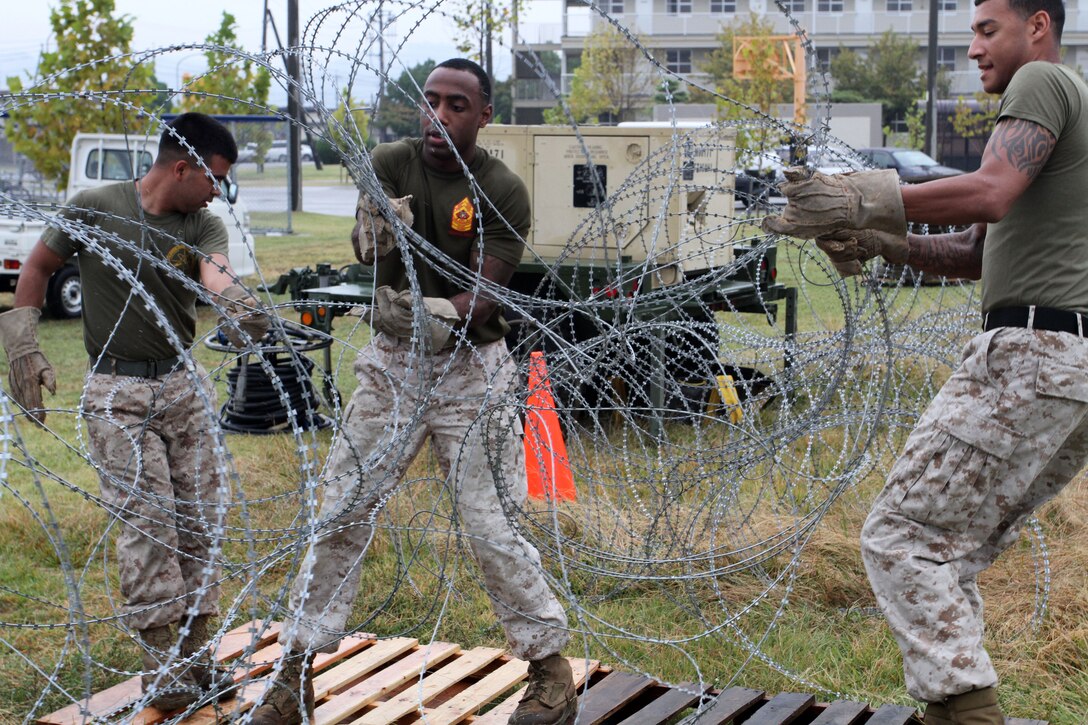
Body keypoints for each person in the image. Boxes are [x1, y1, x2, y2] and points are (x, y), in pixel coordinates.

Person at [763, 1, 1085, 722]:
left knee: (899, 537)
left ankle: (971, 716)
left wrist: (860, 197)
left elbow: (992, 193)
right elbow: (974, 253)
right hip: (1070, 365)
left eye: (986, 28)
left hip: (1032, 351)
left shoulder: (1043, 84)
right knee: (945, 553)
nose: (973, 48)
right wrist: (880, 242)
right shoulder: (1075, 107)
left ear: (1038, 25)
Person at [250, 58, 576, 725]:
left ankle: (550, 670)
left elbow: (489, 289)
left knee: (492, 527)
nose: (438, 116)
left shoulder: (502, 190)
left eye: (456, 105)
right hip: (393, 364)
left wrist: (438, 313)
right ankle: (293, 671)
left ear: (485, 115)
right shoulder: (391, 161)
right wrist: (371, 231)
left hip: (471, 369)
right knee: (341, 508)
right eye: (429, 101)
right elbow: (367, 253)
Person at [0, 112, 268, 711]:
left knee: (200, 522)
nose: (218, 192)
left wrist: (240, 306)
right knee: (150, 529)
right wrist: (22, 339)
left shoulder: (203, 223)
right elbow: (40, 266)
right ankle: (163, 668)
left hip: (182, 387)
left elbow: (216, 278)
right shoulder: (96, 205)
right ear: (182, 167)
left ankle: (197, 661)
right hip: (117, 394)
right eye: (215, 178)